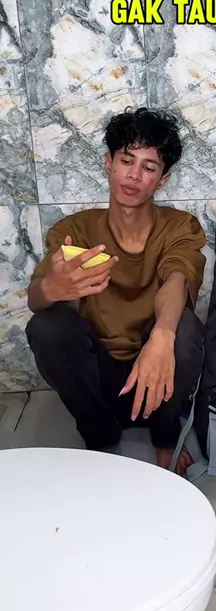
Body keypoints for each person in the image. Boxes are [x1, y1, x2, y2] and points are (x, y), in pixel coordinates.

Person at [26, 107, 206, 476]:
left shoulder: (179, 227)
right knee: (46, 324)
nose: (134, 175)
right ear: (109, 164)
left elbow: (177, 279)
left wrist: (161, 337)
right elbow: (35, 299)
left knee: (184, 326)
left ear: (162, 179)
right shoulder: (76, 230)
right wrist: (50, 288)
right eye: (126, 161)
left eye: (148, 167)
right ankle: (101, 439)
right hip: (101, 381)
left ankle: (166, 437)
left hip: (158, 374)